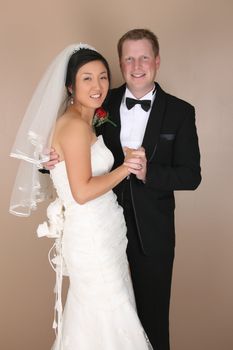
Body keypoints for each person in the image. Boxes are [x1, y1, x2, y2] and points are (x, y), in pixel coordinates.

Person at [44, 29, 202, 350]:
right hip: (102, 234)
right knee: (110, 317)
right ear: (121, 63)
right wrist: (48, 161)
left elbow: (190, 176)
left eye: (144, 57)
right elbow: (73, 153)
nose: (137, 65)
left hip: (152, 235)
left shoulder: (180, 112)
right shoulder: (102, 99)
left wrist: (149, 173)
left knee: (151, 322)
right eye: (129, 58)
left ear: (157, 61)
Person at [9, 44, 154, 349]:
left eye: (103, 77)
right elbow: (82, 191)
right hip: (92, 239)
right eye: (87, 78)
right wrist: (126, 167)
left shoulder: (86, 118)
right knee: (107, 316)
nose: (98, 86)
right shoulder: (74, 126)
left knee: (104, 315)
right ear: (70, 86)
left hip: (104, 233)